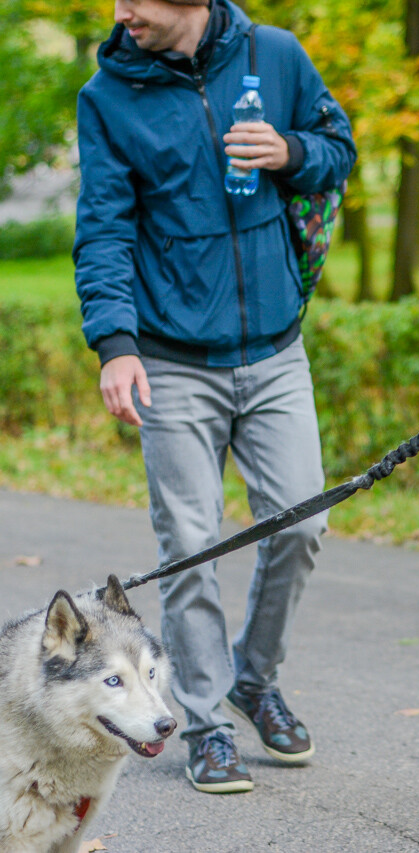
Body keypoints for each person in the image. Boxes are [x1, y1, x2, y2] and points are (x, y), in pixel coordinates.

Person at [74, 0, 355, 794]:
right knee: (191, 547)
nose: (123, 12)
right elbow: (102, 227)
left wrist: (291, 149)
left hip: (273, 349)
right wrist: (116, 346)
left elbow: (339, 150)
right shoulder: (108, 97)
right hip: (169, 360)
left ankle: (253, 678)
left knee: (303, 520)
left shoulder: (278, 57)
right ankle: (203, 721)